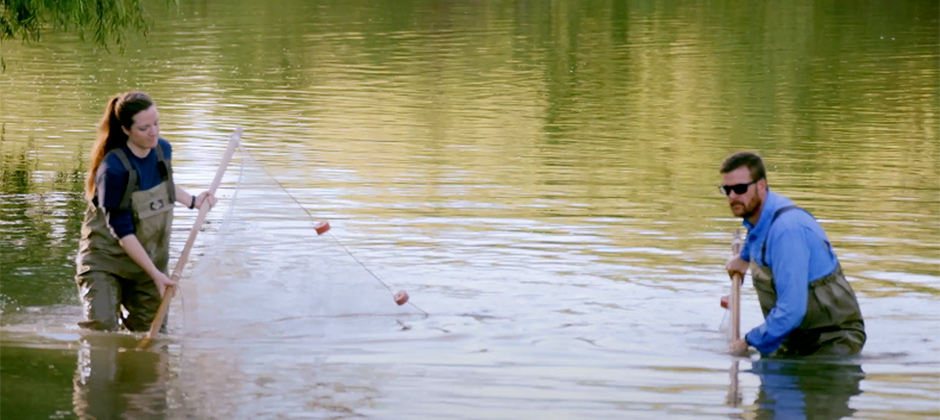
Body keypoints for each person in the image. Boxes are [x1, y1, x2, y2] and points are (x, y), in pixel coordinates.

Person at [75, 91, 217, 332]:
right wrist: (156, 275)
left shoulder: (162, 150)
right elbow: (121, 230)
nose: (154, 132)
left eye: (156, 123)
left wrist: (193, 201)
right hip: (106, 261)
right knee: (102, 330)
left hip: (149, 262)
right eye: (144, 128)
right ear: (126, 130)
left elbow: (164, 184)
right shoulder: (113, 170)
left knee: (153, 332)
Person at [720, 151, 865, 357]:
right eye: (727, 189)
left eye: (740, 189)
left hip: (832, 339)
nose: (732, 196)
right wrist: (743, 259)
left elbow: (792, 311)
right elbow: (756, 235)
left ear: (761, 186)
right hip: (796, 335)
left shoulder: (787, 231)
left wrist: (748, 341)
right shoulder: (760, 216)